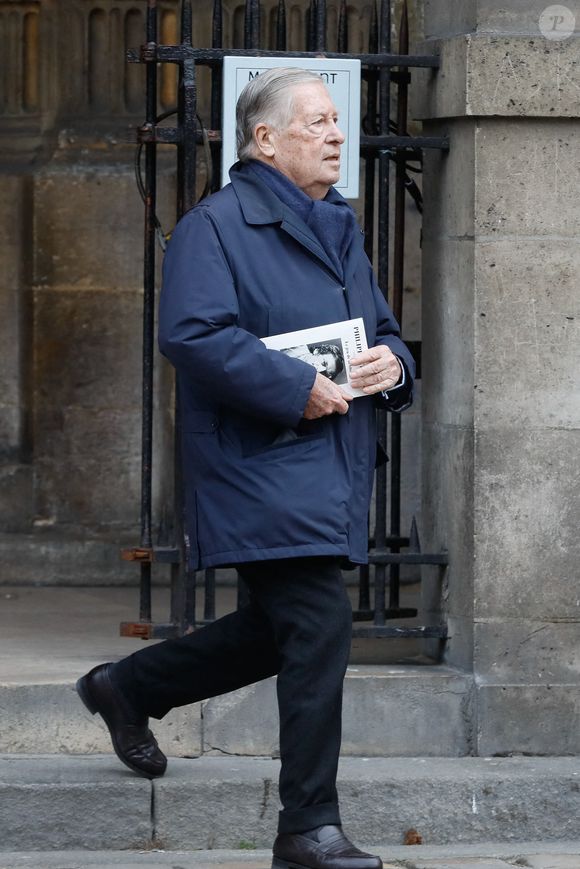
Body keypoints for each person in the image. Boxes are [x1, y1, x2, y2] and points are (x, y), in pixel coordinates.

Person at [76, 68, 415, 869]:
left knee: (283, 628)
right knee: (320, 619)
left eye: (340, 122)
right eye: (319, 123)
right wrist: (296, 387)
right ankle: (308, 825)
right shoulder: (215, 226)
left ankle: (127, 687)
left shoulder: (341, 224)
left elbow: (388, 330)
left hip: (327, 457)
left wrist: (390, 367)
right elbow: (193, 335)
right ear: (265, 139)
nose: (338, 136)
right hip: (259, 458)